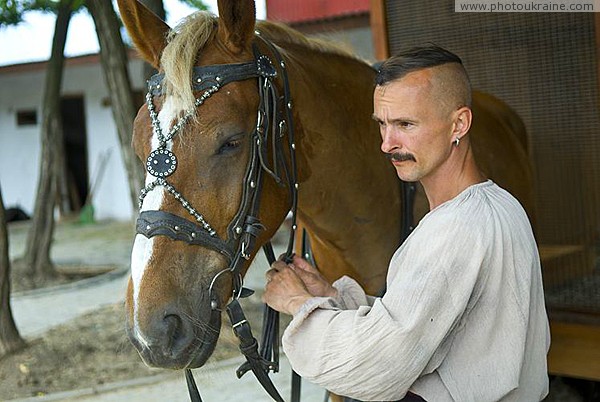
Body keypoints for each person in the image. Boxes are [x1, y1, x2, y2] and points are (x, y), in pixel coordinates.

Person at [263, 45, 550, 402]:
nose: (387, 144)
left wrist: (297, 305)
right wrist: (329, 297)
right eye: (382, 124)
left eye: (405, 124)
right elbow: (429, 325)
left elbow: (381, 364)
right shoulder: (497, 205)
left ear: (458, 124)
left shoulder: (457, 229)